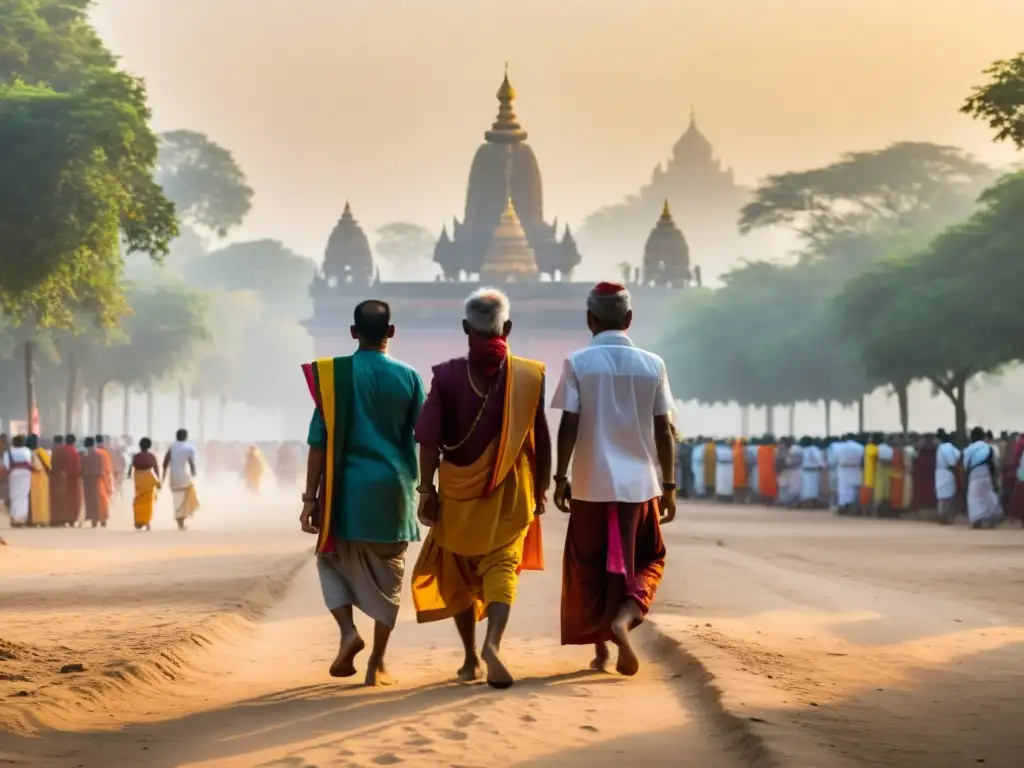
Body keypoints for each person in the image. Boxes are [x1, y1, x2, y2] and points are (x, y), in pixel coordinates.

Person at [411, 288, 550, 689]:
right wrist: (540, 489)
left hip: (456, 490)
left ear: (464, 328)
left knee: (456, 570)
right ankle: (494, 643)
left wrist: (426, 490)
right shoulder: (529, 375)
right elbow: (540, 439)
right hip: (510, 491)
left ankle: (471, 658)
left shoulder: (447, 376)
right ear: (507, 327)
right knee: (501, 566)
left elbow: (429, 440)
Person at [299, 300, 425, 686]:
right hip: (394, 490)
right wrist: (430, 488)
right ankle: (378, 663)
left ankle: (347, 632)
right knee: (390, 575)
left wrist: (310, 499)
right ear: (391, 332)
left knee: (329, 559)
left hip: (345, 491)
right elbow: (422, 437)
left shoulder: (334, 378)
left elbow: (318, 445)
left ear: (353, 333)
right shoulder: (410, 377)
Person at [551, 281, 672, 678]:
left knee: (590, 565)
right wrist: (668, 486)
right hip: (640, 485)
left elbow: (569, 423)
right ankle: (624, 618)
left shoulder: (577, 363)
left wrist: (560, 476)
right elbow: (663, 429)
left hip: (589, 483)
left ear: (590, 319)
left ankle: (601, 648)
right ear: (629, 318)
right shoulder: (653, 364)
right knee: (649, 559)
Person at [962, 427, 1003, 529]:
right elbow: (995, 464)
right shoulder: (989, 448)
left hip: (974, 477)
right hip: (987, 475)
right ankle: (990, 520)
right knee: (989, 497)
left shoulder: (968, 449)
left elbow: (965, 466)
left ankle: (977, 521)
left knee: (974, 499)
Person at [163, 429, 199, 530]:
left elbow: (166, 461)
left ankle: (180, 520)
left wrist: (163, 475)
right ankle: (182, 519)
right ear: (186, 437)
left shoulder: (172, 447)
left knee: (177, 499)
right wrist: (193, 473)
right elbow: (191, 463)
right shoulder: (189, 448)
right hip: (185, 477)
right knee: (186, 498)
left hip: (174, 478)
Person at [129, 438, 161, 531]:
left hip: (138, 478)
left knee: (138, 500)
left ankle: (138, 521)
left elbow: (131, 467)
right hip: (148, 477)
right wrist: (158, 480)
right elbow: (155, 469)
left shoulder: (136, 456)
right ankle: (146, 521)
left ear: (140, 445)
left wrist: (128, 475)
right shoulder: (151, 456)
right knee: (148, 501)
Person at [3, 436, 34, 527]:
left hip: (14, 474)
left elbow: (6, 466)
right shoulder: (27, 451)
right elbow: (31, 463)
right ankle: (22, 518)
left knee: (14, 495)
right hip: (26, 474)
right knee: (24, 495)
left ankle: (14, 517)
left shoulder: (8, 452)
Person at [81, 437, 111, 528]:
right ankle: (101, 518)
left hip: (89, 480)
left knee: (91, 499)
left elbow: (82, 468)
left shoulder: (84, 455)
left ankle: (94, 518)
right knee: (100, 499)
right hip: (99, 479)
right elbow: (106, 469)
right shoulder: (101, 454)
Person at [935, 429, 961, 525]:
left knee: (943, 498)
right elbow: (956, 459)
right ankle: (946, 517)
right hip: (946, 473)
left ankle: (943, 517)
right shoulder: (948, 448)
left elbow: (953, 461)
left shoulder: (943, 447)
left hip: (944, 473)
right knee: (947, 497)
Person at [835, 434, 865, 515]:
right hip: (856, 469)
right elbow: (863, 459)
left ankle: (845, 507)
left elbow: (835, 458)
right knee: (856, 489)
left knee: (844, 490)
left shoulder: (840, 447)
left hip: (844, 470)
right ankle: (856, 508)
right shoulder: (860, 447)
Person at [27, 435, 51, 526]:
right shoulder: (40, 451)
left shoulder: (26, 451)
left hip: (29, 476)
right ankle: (41, 519)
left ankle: (31, 520)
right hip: (40, 476)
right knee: (42, 499)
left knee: (31, 499)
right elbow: (48, 463)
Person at [62, 435, 83, 527]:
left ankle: (64, 517)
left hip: (62, 478)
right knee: (73, 499)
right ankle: (72, 519)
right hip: (73, 478)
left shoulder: (62, 450)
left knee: (64, 498)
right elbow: (77, 467)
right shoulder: (74, 452)